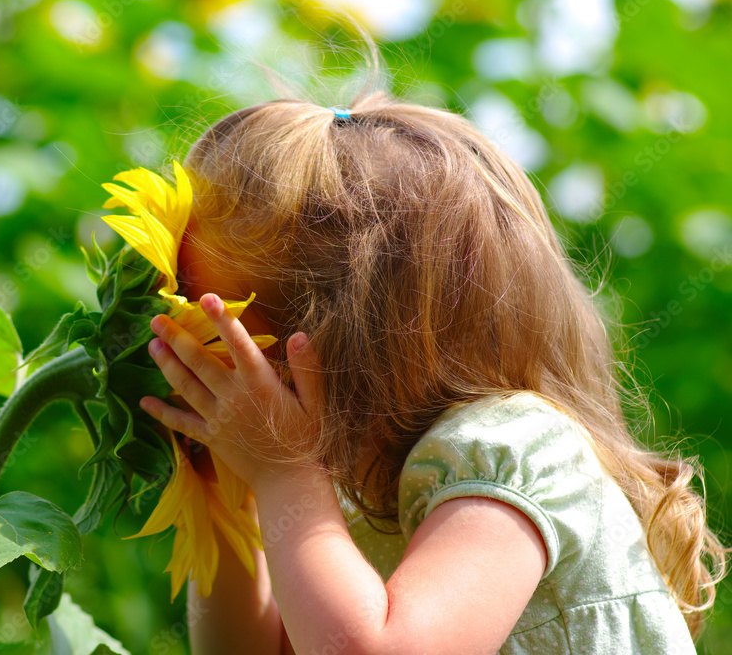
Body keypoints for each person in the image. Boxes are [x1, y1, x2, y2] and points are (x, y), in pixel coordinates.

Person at [134, 82, 728, 654]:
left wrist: (282, 474)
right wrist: (223, 498)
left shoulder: (513, 448)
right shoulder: (359, 504)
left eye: (230, 354)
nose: (221, 388)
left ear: (349, 350)